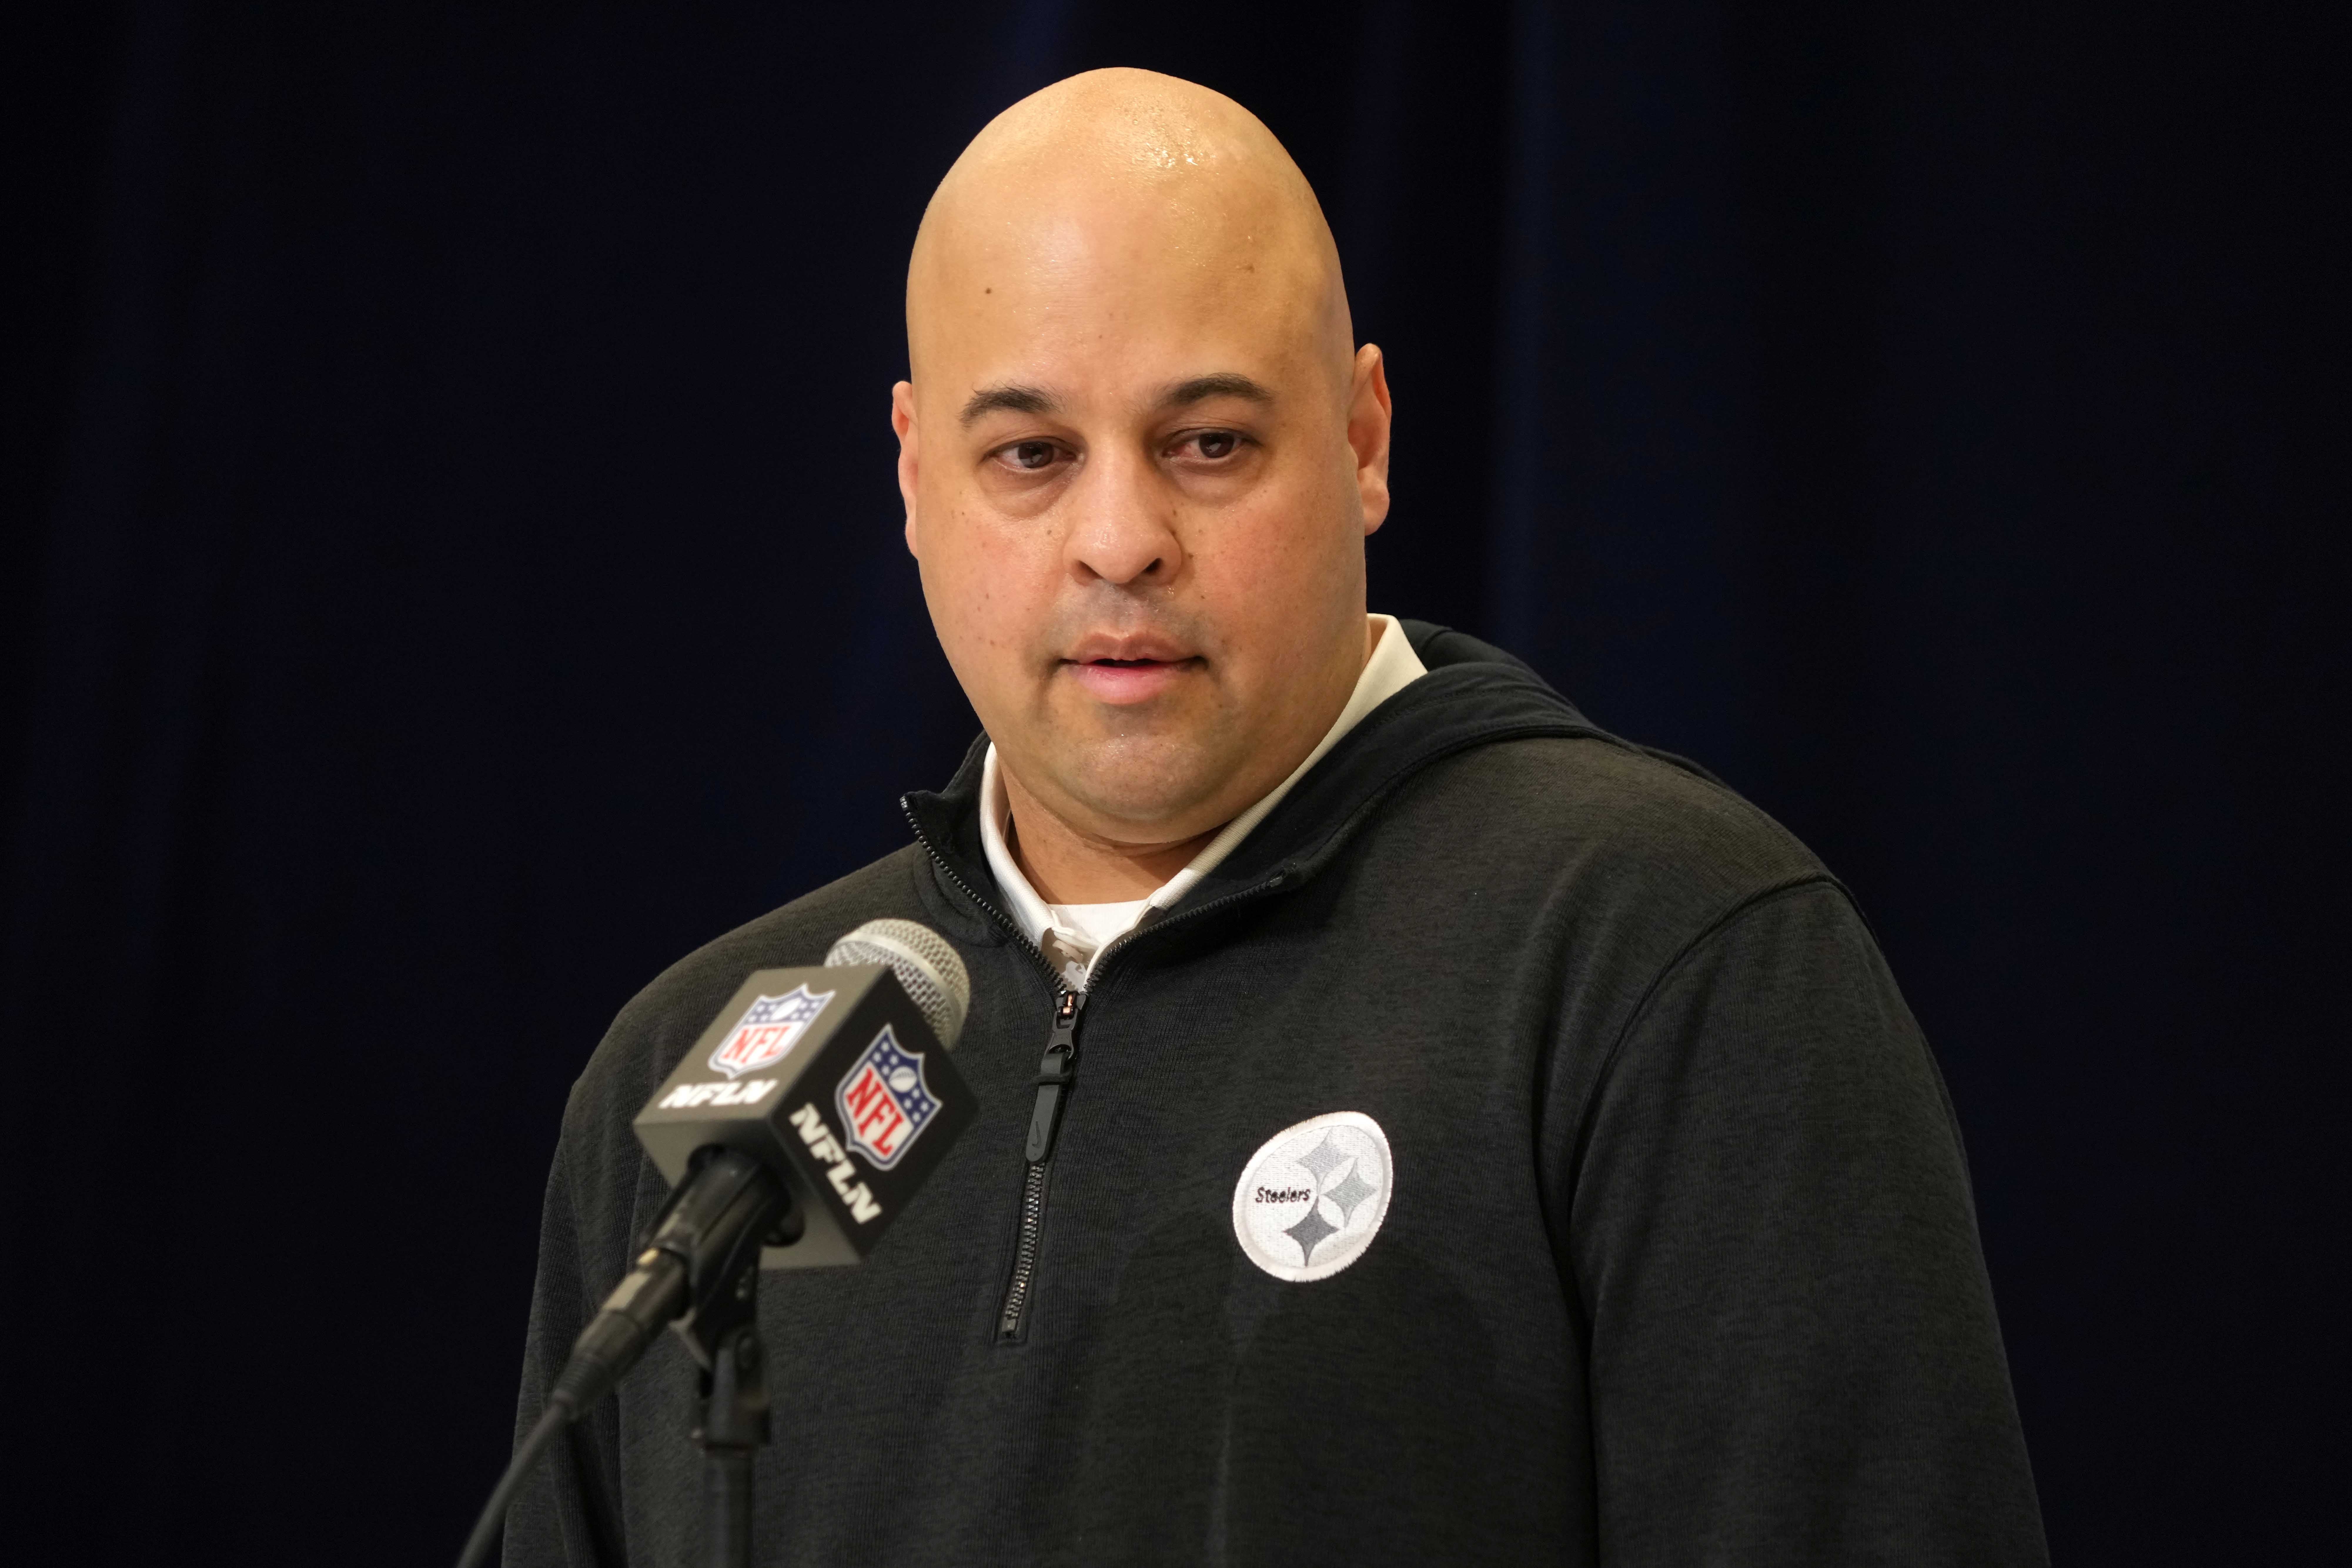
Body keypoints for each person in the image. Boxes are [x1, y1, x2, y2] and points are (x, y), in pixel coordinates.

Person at [505, 67, 2046, 1565]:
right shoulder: (696, 1079)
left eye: (1209, 443)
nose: (1120, 539)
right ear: (914, 476)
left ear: (1364, 437)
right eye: (1030, 455)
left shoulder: (1662, 957)